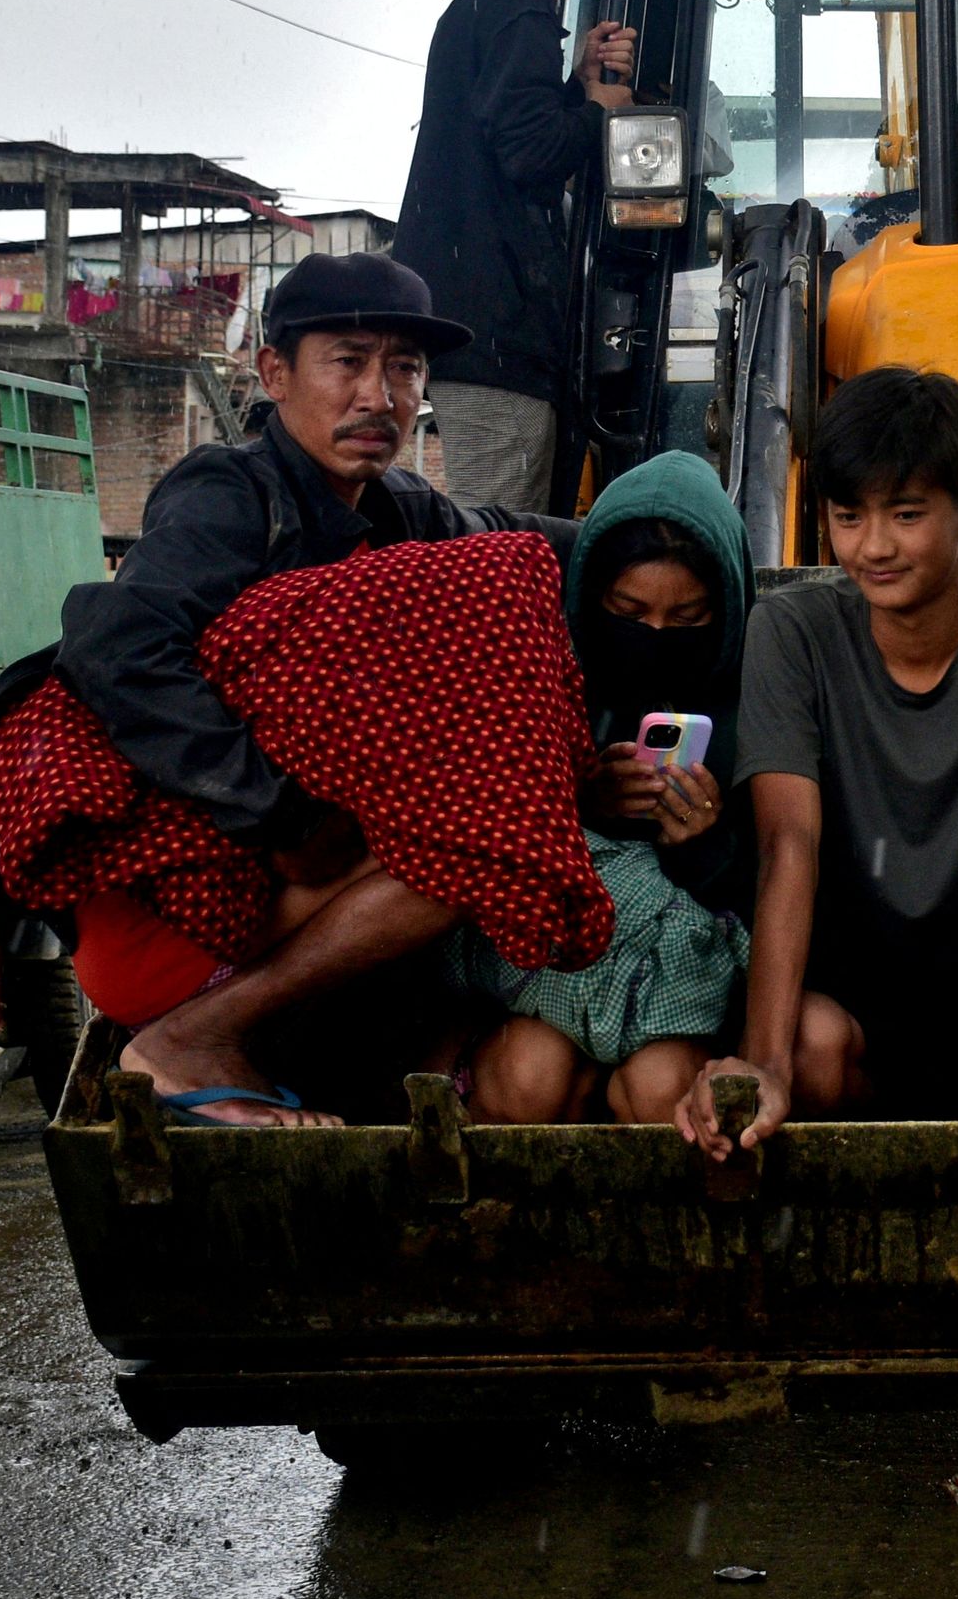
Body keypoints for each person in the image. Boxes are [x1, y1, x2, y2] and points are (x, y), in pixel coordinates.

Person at [52, 251, 571, 1123]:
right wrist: (279, 812)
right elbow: (116, 641)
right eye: (349, 361)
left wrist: (667, 527)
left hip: (298, 889)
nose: (380, 395)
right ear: (275, 373)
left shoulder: (404, 510)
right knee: (481, 832)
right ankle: (195, 1036)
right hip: (184, 895)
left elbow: (532, 542)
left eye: (404, 368)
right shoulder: (231, 494)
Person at [679, 367, 958, 1158]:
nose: (873, 546)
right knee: (806, 1051)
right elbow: (789, 845)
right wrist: (765, 1064)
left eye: (906, 514)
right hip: (854, 1000)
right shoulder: (792, 631)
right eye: (849, 517)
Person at [444, 452, 754, 1127]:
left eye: (689, 619)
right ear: (591, 603)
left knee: (662, 1085)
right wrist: (583, 807)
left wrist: (706, 850)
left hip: (689, 1000)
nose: (655, 641)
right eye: (628, 613)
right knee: (532, 1074)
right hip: (543, 989)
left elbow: (780, 890)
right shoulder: (541, 682)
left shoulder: (758, 704)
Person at [393, 0, 637, 508]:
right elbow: (531, 156)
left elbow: (505, 131)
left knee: (499, 534)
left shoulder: (474, 11)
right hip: (498, 338)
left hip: (465, 324)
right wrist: (598, 113)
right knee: (500, 547)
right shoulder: (520, 10)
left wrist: (576, 81)